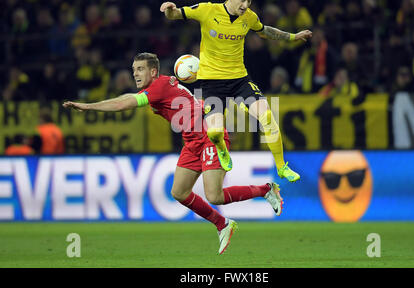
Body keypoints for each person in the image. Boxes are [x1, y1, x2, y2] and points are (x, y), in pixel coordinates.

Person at [63, 52, 283, 255]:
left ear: (153, 71)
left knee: (215, 195)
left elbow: (125, 102)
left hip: (208, 136)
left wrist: (89, 107)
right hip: (191, 141)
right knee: (179, 192)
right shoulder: (160, 87)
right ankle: (223, 224)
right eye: (133, 70)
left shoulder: (158, 86)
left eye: (140, 69)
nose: (135, 74)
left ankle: (266, 189)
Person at [160, 0, 312, 182]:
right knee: (214, 133)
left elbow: (265, 31)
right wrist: (169, 9)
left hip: (239, 80)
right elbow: (176, 14)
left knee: (267, 116)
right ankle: (221, 148)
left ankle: (281, 166)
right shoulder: (208, 10)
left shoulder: (249, 17)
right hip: (211, 83)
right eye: (242, 0)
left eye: (249, 1)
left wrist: (293, 36)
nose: (245, 5)